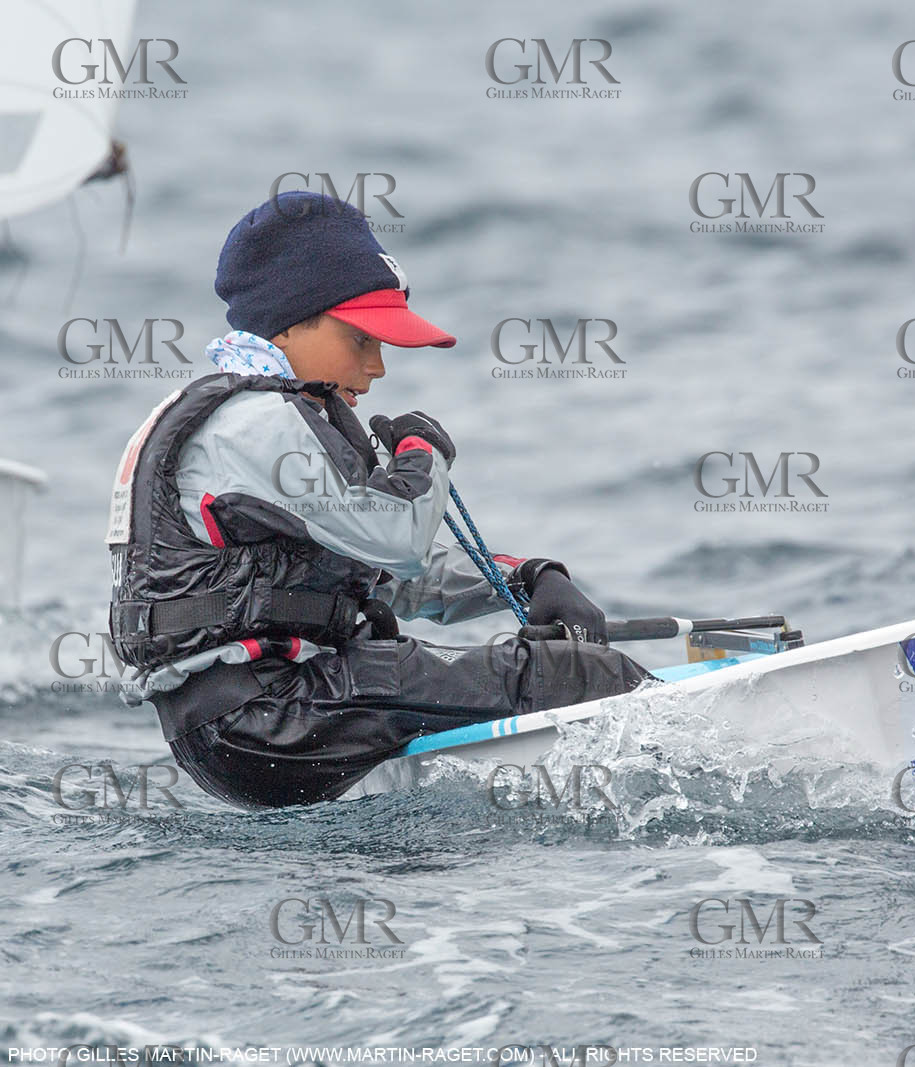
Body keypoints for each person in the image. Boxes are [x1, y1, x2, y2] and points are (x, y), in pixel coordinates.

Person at [106, 191, 651, 808]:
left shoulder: (249, 416)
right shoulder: (255, 426)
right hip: (270, 716)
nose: (378, 367)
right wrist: (423, 456)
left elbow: (382, 574)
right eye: (362, 340)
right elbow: (397, 541)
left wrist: (528, 578)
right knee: (580, 674)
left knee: (523, 669)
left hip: (240, 731)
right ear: (291, 323)